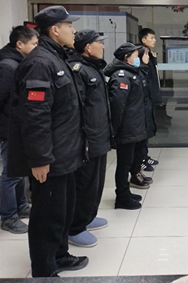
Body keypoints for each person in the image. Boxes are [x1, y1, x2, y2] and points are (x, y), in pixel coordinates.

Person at [7, 6, 88, 277]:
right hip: (51, 158)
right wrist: (40, 158)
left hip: (66, 153)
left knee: (63, 211)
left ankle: (60, 255)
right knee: (47, 216)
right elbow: (34, 116)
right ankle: (44, 270)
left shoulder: (58, 58)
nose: (73, 30)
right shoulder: (40, 63)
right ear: (55, 30)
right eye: (69, 26)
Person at [0, 26, 38, 234]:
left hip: (17, 125)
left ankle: (22, 206)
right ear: (20, 44)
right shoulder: (7, 66)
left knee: (20, 170)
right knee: (10, 173)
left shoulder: (19, 63)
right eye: (33, 44)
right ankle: (8, 216)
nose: (36, 47)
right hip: (7, 127)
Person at [67, 30, 112, 248]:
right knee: (84, 183)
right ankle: (75, 227)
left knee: (97, 181)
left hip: (100, 135)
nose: (102, 46)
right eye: (99, 43)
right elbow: (77, 108)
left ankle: (89, 216)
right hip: (88, 138)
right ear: (87, 47)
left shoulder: (94, 67)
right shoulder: (78, 70)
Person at [105, 42, 147, 210]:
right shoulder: (121, 76)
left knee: (128, 162)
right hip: (126, 129)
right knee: (124, 165)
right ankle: (121, 197)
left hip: (133, 127)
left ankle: (126, 192)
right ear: (127, 57)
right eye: (135, 56)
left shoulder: (131, 73)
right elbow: (117, 106)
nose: (138, 58)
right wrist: (115, 130)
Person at [129, 46, 156, 190]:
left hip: (144, 114)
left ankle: (138, 172)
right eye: (144, 54)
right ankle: (134, 175)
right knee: (135, 150)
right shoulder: (135, 73)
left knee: (141, 146)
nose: (147, 56)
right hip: (137, 117)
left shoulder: (144, 70)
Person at [138, 28, 161, 171]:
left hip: (149, 98)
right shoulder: (140, 54)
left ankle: (145, 156)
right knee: (143, 129)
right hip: (143, 99)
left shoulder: (149, 54)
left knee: (148, 128)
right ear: (143, 40)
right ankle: (140, 159)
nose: (154, 40)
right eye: (151, 38)